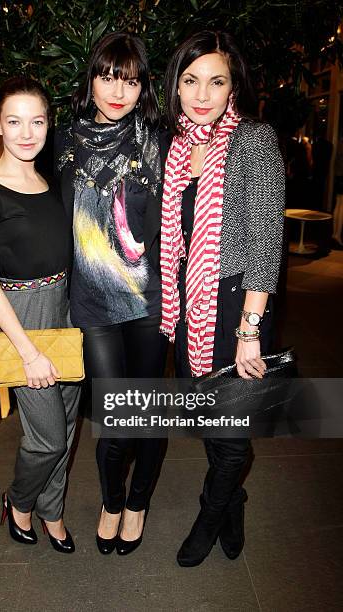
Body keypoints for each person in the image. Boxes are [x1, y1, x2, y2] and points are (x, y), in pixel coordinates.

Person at [161, 31, 285, 566]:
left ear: (234, 86)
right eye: (191, 81)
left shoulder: (254, 141)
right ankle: (234, 500)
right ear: (176, 86)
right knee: (209, 418)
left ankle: (211, 513)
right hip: (191, 305)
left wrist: (249, 332)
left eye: (216, 81)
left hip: (236, 306)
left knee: (230, 434)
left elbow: (265, 242)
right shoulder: (176, 147)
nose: (203, 94)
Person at [55, 32, 168, 555]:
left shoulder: (157, 142)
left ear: (142, 85)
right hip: (92, 304)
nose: (117, 89)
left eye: (129, 78)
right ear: (91, 80)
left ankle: (138, 501)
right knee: (116, 416)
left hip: (148, 302)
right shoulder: (64, 141)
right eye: (107, 76)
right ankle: (110, 500)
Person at [0, 77, 81, 553]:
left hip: (66, 308)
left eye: (37, 121)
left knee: (68, 426)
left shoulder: (50, 182)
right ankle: (19, 500)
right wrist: (27, 352)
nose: (26, 132)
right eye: (14, 121)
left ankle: (53, 511)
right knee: (47, 437)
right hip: (21, 316)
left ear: (49, 124)